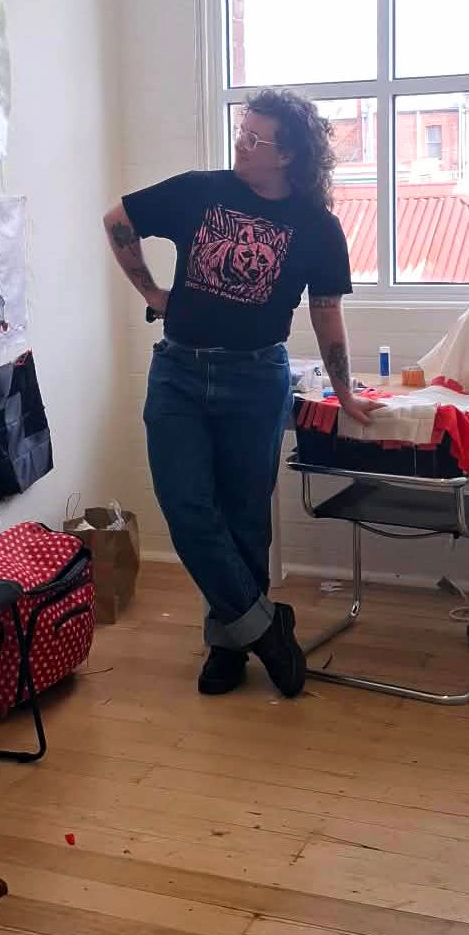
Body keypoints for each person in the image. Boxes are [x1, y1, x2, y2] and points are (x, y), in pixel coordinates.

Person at [104, 88, 380, 698]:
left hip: (255, 379)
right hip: (177, 372)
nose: (242, 143)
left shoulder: (316, 227)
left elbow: (327, 314)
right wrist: (152, 292)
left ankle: (228, 643)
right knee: (185, 508)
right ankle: (264, 626)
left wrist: (345, 391)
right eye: (243, 130)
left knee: (244, 518)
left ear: (288, 156)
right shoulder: (201, 191)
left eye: (256, 139)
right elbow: (118, 219)